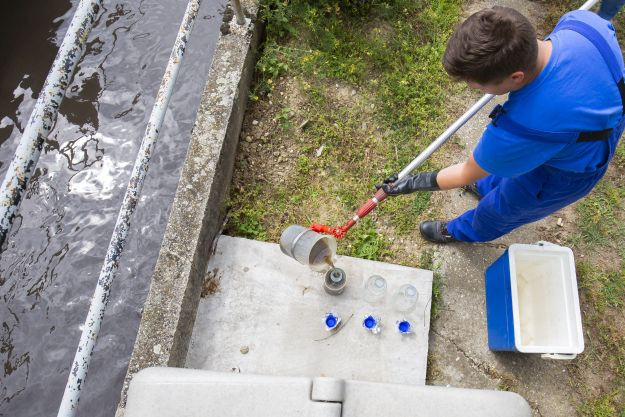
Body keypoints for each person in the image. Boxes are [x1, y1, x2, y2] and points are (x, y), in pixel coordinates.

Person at [379, 6, 625, 243]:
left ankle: (458, 231)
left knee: (500, 211)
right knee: (499, 172)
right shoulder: (581, 23)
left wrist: (411, 184)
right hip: (600, 113)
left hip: (568, 171)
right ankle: (486, 185)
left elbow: (466, 171)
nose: (474, 89)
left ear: (516, 76)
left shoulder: (522, 127)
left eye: (477, 86)